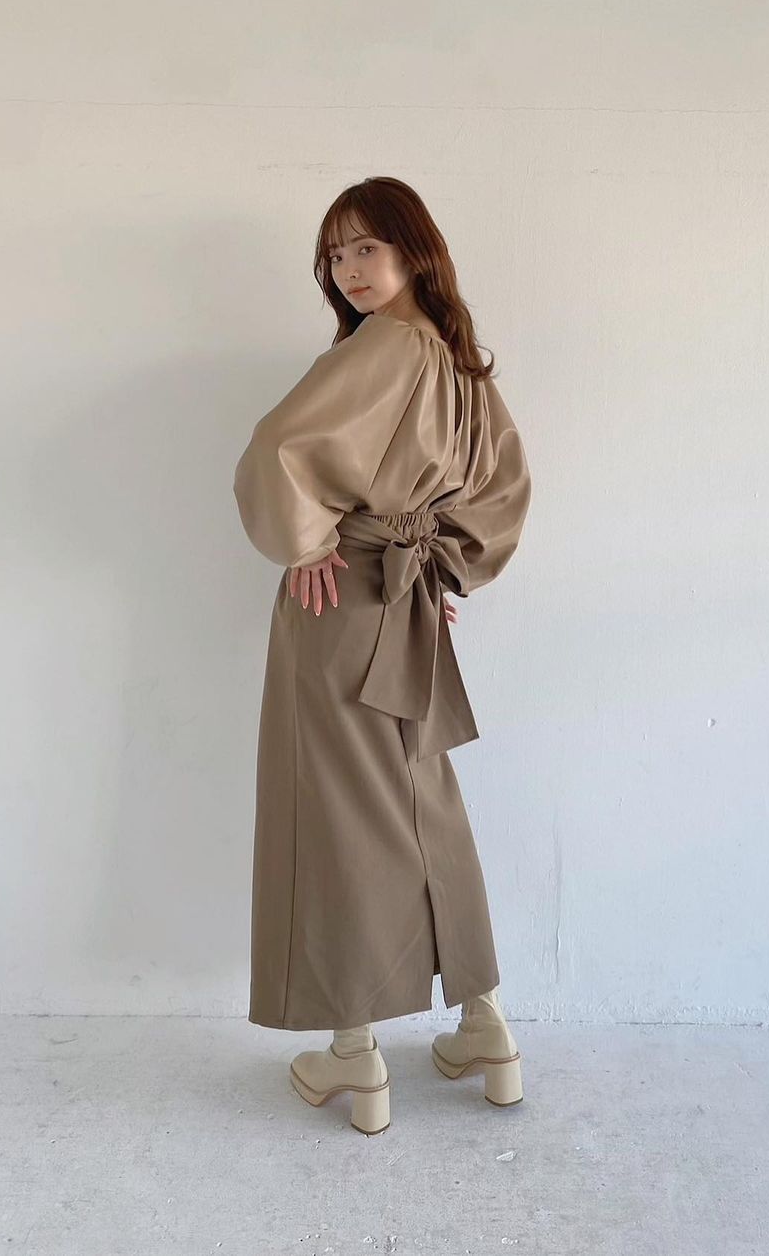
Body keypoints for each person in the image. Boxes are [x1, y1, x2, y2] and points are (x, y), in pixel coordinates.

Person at [232, 176, 532, 1135]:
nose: (348, 269)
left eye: (366, 246)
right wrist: (443, 567)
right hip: (404, 602)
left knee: (338, 813)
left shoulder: (382, 346)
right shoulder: (455, 358)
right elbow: (503, 488)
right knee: (423, 800)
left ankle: (355, 1052)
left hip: (342, 601)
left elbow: (276, 446)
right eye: (335, 253)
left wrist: (308, 545)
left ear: (414, 248)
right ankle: (487, 1029)